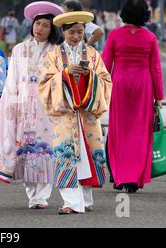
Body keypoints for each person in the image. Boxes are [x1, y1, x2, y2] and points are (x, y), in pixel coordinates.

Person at [0, 1, 64, 209]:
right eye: (37, 24)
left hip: (46, 107)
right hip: (23, 107)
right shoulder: (20, 49)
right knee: (26, 150)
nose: (40, 28)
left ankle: (42, 196)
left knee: (46, 148)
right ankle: (32, 194)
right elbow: (12, 79)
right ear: (32, 25)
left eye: (45, 25)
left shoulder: (57, 51)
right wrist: (10, 105)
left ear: (52, 29)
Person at [38, 11, 112, 214]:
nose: (76, 36)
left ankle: (86, 200)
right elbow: (44, 82)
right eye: (71, 32)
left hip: (87, 113)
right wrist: (64, 74)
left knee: (88, 154)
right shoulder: (53, 55)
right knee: (66, 155)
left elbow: (106, 80)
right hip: (65, 114)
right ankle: (71, 202)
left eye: (80, 32)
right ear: (63, 32)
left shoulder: (93, 54)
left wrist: (92, 77)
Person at [102, 0, 164, 193]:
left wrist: (102, 89)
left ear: (124, 13)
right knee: (139, 132)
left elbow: (105, 64)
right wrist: (159, 97)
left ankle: (120, 177)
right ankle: (134, 179)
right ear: (145, 15)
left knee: (119, 130)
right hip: (143, 86)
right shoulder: (150, 38)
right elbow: (156, 69)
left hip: (119, 84)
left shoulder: (114, 35)